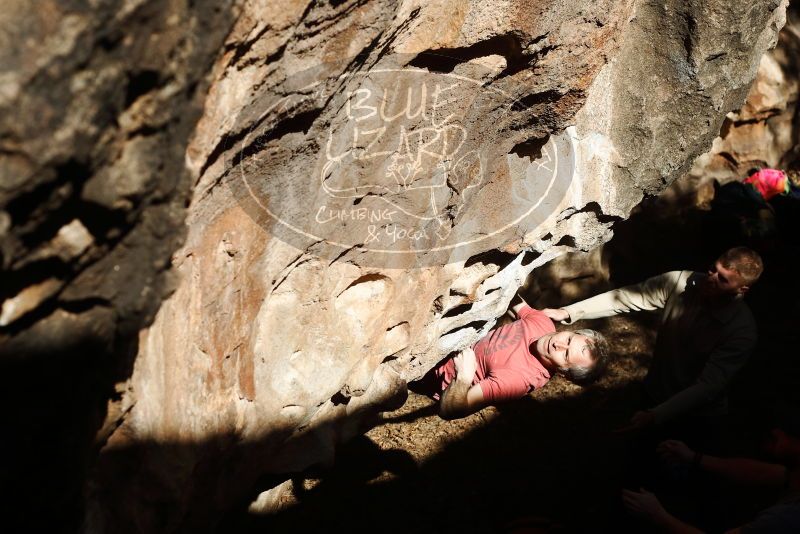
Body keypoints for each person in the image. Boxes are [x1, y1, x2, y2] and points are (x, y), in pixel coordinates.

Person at [542, 247, 763, 434]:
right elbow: (626, 298)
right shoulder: (682, 282)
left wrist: (657, 415)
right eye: (713, 269)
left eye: (722, 279)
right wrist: (568, 312)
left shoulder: (741, 332)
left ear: (742, 289)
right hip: (655, 392)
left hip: (697, 415)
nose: (711, 278)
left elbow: (708, 386)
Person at [432, 296, 609, 420]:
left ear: (563, 373)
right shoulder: (544, 323)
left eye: (565, 354)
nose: (558, 344)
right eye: (569, 339)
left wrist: (463, 376)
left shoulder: (517, 380)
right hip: (443, 332)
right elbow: (513, 299)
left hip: (430, 371)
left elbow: (450, 411)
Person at [623, 430, 800, 532]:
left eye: (791, 436)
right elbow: (761, 473)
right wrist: (694, 457)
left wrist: (658, 515)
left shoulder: (785, 518)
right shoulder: (796, 475)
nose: (776, 432)